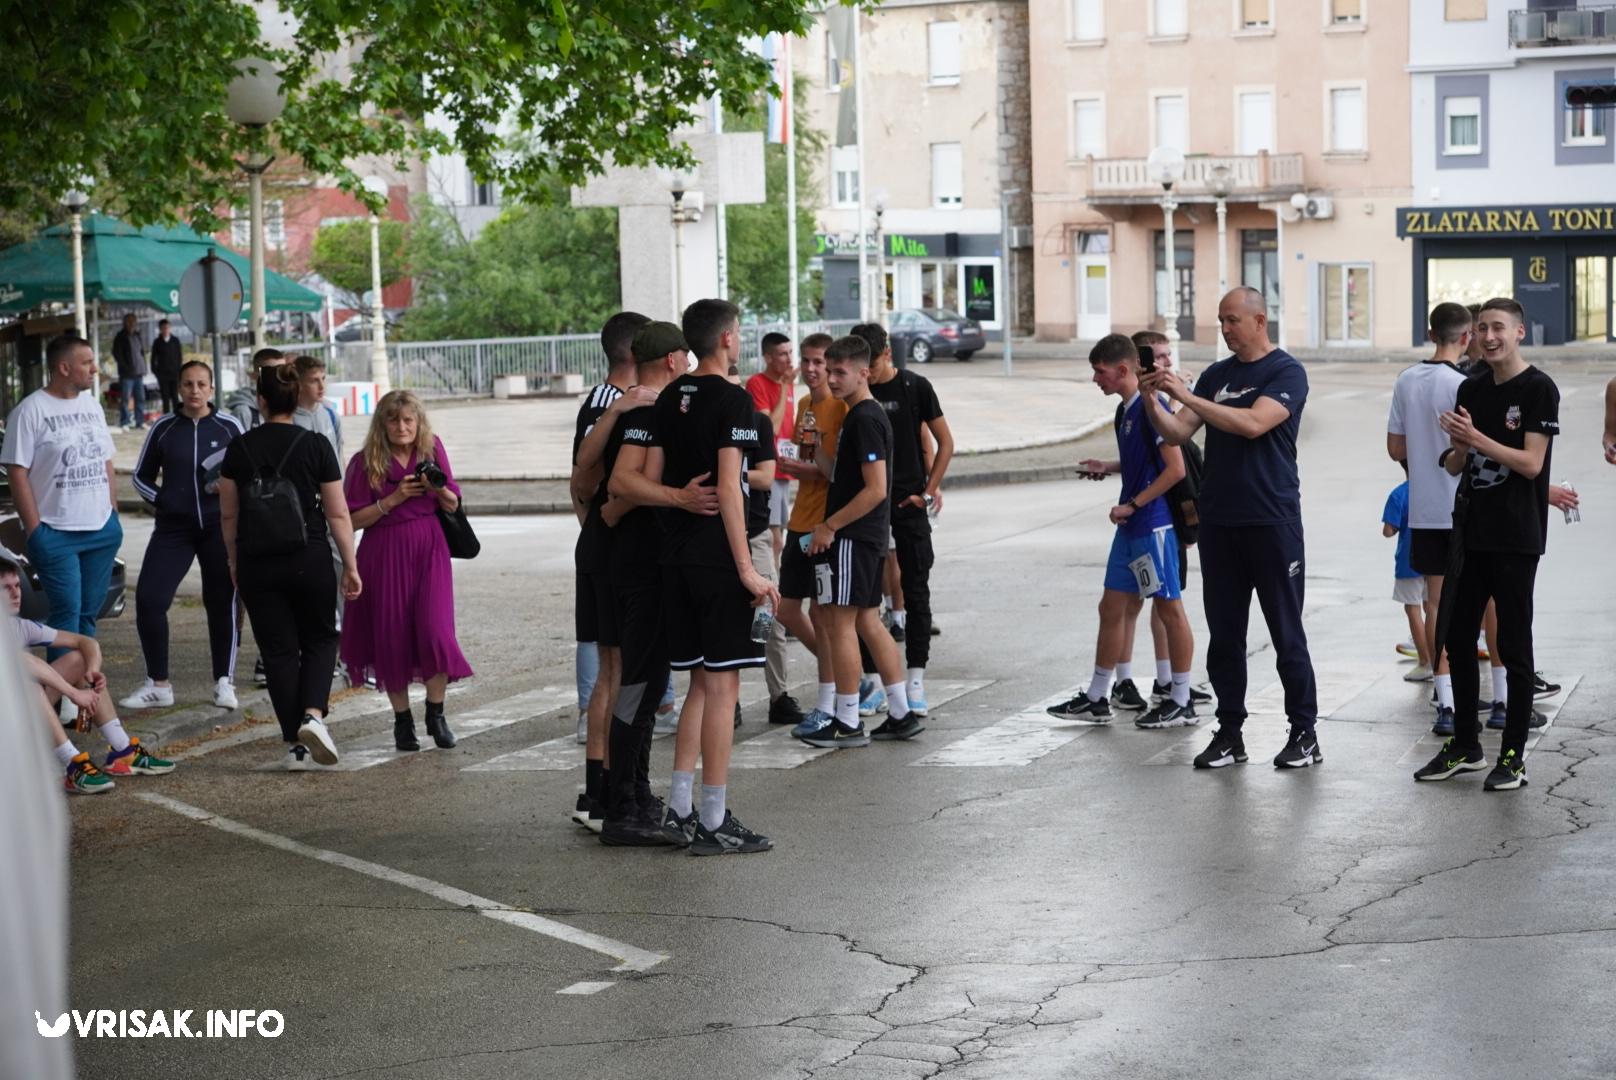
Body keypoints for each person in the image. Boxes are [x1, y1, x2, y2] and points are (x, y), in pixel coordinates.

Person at [1141, 287, 1321, 770]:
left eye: (1232, 320)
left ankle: (1304, 733)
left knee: (1286, 633)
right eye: (1220, 320)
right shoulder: (1218, 375)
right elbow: (1178, 432)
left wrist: (1184, 394)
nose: (1224, 329)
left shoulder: (1286, 372)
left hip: (1271, 518)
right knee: (1225, 636)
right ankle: (1230, 733)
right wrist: (1150, 397)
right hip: (1220, 522)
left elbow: (1253, 424)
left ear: (1259, 320)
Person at [642, 298, 778, 855]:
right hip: (717, 556)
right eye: (738, 332)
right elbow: (730, 486)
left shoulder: (672, 394)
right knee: (723, 686)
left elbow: (653, 476)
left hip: (675, 556)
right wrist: (747, 569)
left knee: (700, 681)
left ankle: (679, 807)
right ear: (727, 339)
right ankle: (715, 819)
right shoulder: (734, 399)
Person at [1415, 298, 1559, 792]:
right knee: (1456, 636)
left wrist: (1476, 437)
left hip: (1517, 536)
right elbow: (1457, 465)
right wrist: (1457, 446)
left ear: (1520, 332)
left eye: (1499, 327)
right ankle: (1467, 746)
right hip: (1471, 534)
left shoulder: (1539, 389)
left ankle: (1514, 756)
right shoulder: (1471, 387)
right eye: (1482, 328)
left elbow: (1532, 464)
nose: (1489, 336)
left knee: (1515, 647)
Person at [601, 321, 718, 845]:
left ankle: (634, 794)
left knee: (648, 687)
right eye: (688, 361)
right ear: (673, 360)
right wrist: (680, 499)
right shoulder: (649, 410)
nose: (693, 369)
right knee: (638, 686)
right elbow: (620, 482)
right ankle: (622, 805)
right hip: (640, 567)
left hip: (652, 562)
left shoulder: (660, 409)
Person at [1049, 335, 1197, 730]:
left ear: (1124, 370)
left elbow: (1175, 470)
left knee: (1169, 609)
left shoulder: (1154, 408)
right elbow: (1142, 461)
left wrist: (1133, 504)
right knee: (1111, 607)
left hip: (1152, 526)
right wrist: (1109, 466)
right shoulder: (1124, 411)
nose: (1096, 379)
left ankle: (1181, 699)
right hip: (1131, 527)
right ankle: (1098, 697)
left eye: (1100, 372)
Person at [218, 363, 362, 769]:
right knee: (319, 638)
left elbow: (228, 515)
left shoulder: (238, 449)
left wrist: (233, 561)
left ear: (260, 401)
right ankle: (313, 715)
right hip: (309, 557)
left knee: (279, 650)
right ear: (295, 398)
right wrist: (350, 565)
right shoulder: (316, 445)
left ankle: (295, 745)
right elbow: (337, 514)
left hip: (257, 562)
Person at [803, 335, 919, 748]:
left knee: (839, 622)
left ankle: (848, 720)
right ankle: (902, 712)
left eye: (839, 372)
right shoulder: (858, 416)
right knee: (868, 621)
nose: (831, 379)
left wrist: (829, 526)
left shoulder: (866, 417)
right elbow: (844, 477)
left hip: (854, 537)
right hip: (865, 537)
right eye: (828, 371)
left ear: (863, 373)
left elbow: (874, 489)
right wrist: (816, 451)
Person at [340, 390, 472, 751]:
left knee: (436, 631)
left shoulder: (432, 450)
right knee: (391, 636)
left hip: (430, 548)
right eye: (394, 419)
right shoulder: (364, 462)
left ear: (419, 423)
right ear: (382, 423)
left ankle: (436, 712)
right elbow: (350, 520)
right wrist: (393, 499)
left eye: (408, 420)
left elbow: (453, 500)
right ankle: (402, 722)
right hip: (383, 552)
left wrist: (438, 488)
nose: (402, 427)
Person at [567, 311, 653, 830]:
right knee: (616, 669)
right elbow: (584, 480)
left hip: (600, 545)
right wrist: (602, 528)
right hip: (611, 548)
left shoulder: (605, 401)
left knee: (611, 668)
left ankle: (598, 789)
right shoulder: (611, 405)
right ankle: (604, 791)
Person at [124, 361, 243, 711]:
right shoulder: (163, 428)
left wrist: (231, 491)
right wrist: (164, 499)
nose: (195, 391)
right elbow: (140, 478)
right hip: (173, 529)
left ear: (212, 388)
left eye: (201, 384)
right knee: (149, 599)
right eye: (188, 384)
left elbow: (250, 473)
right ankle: (158, 684)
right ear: (179, 388)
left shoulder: (229, 427)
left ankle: (224, 681)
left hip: (218, 526)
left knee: (222, 602)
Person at [849, 322, 954, 718]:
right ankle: (874, 681)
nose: (866, 373)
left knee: (915, 591)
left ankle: (915, 678)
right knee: (863, 596)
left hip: (908, 504)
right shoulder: (857, 393)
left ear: (886, 355)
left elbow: (945, 441)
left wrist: (929, 490)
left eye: (870, 364)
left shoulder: (915, 387)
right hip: (867, 506)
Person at [4, 558, 175, 793]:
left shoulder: (19, 627)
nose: (16, 593)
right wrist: (74, 693)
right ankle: (72, 765)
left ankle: (122, 751)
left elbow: (85, 641)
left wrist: (91, 674)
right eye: (6, 588)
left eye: (17, 586)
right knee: (29, 684)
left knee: (79, 659)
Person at [2, 334, 122, 661]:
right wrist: (35, 529)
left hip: (100, 528)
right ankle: (59, 699)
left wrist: (112, 512)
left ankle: (80, 690)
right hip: (56, 531)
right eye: (87, 363)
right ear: (64, 367)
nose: (95, 369)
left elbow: (105, 460)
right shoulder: (29, 411)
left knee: (88, 613)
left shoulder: (92, 405)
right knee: (66, 614)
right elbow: (17, 471)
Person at [1386, 302, 1469, 734]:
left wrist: (1419, 463)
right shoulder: (1463, 384)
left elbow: (1395, 448)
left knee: (1434, 603)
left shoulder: (1406, 379)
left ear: (1430, 331)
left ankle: (1445, 697)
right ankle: (1489, 696)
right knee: (1479, 602)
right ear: (1467, 338)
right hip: (1462, 508)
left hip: (1423, 510)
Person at [775, 333, 842, 738]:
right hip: (799, 518)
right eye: (808, 361)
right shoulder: (804, 405)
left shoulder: (841, 406)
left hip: (823, 523)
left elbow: (835, 471)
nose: (813, 369)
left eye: (820, 362)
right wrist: (796, 460)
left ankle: (830, 700)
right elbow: (803, 457)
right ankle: (846, 671)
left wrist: (811, 458)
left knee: (823, 614)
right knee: (785, 610)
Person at [227, 346, 287, 689]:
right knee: (247, 593)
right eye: (267, 371)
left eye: (280, 371)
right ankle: (232, 665)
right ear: (254, 375)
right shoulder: (242, 411)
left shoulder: (309, 410)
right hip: (254, 510)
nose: (274, 378)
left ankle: (270, 658)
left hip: (285, 512)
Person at [746, 332, 797, 561]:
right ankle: (773, 587)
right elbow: (770, 428)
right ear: (768, 357)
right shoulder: (757, 383)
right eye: (782, 354)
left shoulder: (787, 384)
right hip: (768, 468)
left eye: (790, 353)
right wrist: (785, 387)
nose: (788, 359)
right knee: (773, 537)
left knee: (781, 534)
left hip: (786, 467)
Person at [1381, 466, 1430, 681]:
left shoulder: (1399, 494)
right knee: (1433, 607)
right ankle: (1440, 658)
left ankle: (1425, 661)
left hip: (1409, 562)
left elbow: (1388, 531)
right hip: (1435, 559)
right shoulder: (1433, 491)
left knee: (1413, 610)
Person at [225, 347, 286, 432]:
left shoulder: (289, 405)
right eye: (271, 373)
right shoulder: (244, 412)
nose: (279, 378)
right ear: (254, 375)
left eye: (283, 372)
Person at [111, 313, 149, 430]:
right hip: (126, 374)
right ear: (124, 323)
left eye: (133, 321)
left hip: (139, 373)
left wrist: (144, 367)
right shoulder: (120, 336)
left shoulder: (138, 335)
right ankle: (125, 422)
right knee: (125, 398)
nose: (131, 323)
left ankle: (140, 421)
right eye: (129, 321)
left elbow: (141, 352)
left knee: (140, 398)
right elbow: (116, 353)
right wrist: (125, 366)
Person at [150, 319, 184, 415]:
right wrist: (156, 372)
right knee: (165, 397)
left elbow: (179, 356)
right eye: (163, 328)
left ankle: (178, 415)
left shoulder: (175, 341)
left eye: (167, 328)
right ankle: (166, 417)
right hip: (163, 375)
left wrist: (179, 371)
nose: (165, 330)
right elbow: (153, 359)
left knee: (175, 396)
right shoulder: (157, 342)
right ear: (160, 329)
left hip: (175, 374)